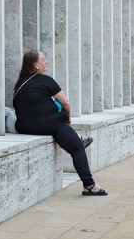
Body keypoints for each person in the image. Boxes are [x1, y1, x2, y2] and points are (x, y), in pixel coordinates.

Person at [13, 50, 107, 196]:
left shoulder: (20, 82)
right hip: (48, 125)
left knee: (58, 122)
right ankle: (89, 185)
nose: (46, 62)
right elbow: (66, 102)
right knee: (76, 148)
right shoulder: (46, 80)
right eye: (43, 59)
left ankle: (77, 136)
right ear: (35, 65)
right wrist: (67, 118)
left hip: (24, 126)